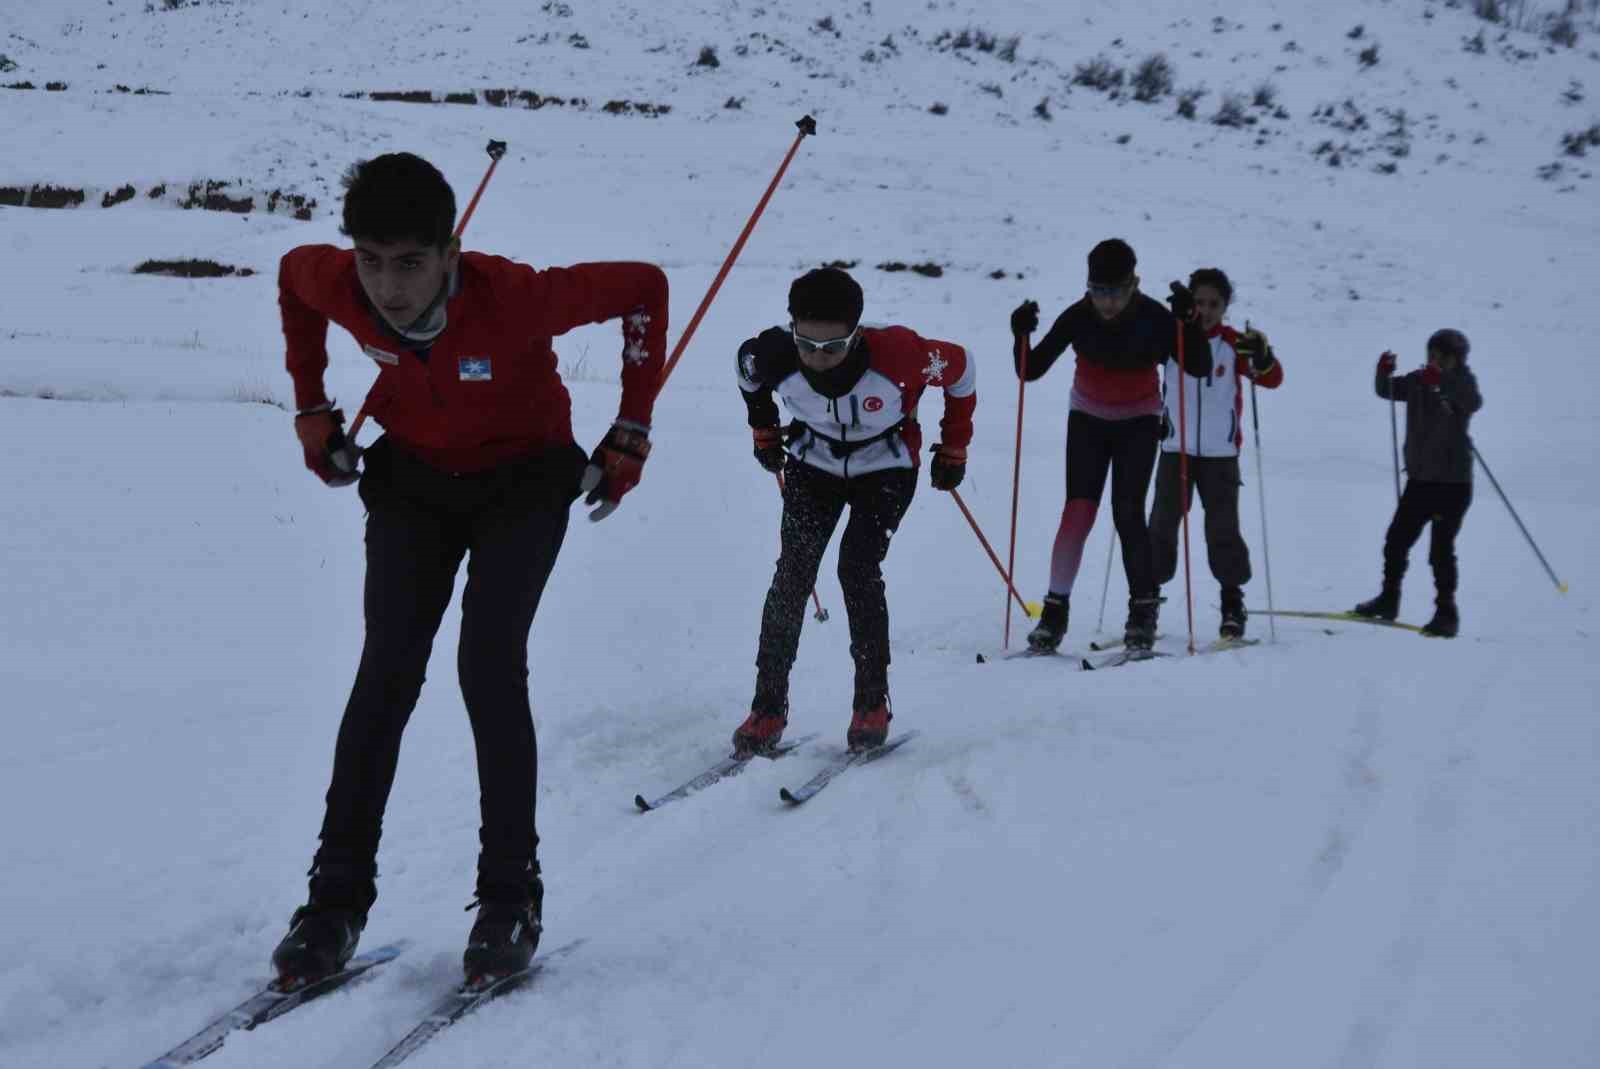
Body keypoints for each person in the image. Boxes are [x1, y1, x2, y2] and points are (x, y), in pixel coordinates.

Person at [273, 152, 668, 983]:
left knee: (488, 665)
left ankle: (509, 896)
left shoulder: (518, 296)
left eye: (412, 263)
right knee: (385, 671)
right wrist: (311, 404)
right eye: (372, 261)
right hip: (412, 482)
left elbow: (644, 286)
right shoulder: (334, 281)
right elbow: (291, 280)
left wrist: (632, 424)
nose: (388, 285)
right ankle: (333, 900)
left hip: (524, 482)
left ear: (451, 254)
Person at [732, 267, 975, 754]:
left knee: (857, 567)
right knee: (793, 574)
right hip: (812, 464)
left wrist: (954, 448)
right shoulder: (773, 354)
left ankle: (871, 701)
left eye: (834, 347)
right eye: (807, 345)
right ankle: (767, 708)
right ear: (792, 329)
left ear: (857, 334)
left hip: (884, 468)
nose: (818, 360)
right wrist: (764, 429)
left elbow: (962, 371)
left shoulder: (903, 355)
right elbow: (746, 372)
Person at [1009, 238, 1210, 653]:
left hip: (1139, 421)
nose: (1106, 302)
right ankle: (1054, 613)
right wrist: (1020, 334)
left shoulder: (1155, 317)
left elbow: (1200, 366)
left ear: (1133, 283)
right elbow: (1031, 370)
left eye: (1115, 292)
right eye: (1098, 291)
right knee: (1077, 512)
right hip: (1087, 421)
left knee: (1128, 513)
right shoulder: (1080, 315)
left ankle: (1143, 611)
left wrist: (1189, 322)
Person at [1147, 268, 1284, 639]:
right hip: (1175, 449)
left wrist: (1263, 355)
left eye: (1214, 304)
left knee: (1223, 528)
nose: (1206, 310)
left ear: (1225, 307)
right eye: (1200, 302)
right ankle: (1147, 603)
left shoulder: (1233, 342)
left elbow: (1271, 378)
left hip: (1220, 455)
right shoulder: (1172, 336)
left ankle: (1231, 602)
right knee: (1161, 527)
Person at [1353, 329, 1482, 637]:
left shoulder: (1463, 382)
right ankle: (1388, 598)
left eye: (1443, 357)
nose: (1435, 362)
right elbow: (1387, 390)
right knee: (1396, 540)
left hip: (1452, 484)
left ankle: (1446, 611)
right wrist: (1383, 372)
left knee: (1440, 550)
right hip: (1421, 481)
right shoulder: (1418, 381)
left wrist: (1444, 384)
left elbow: (1472, 402)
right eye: (1432, 355)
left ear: (1458, 360)